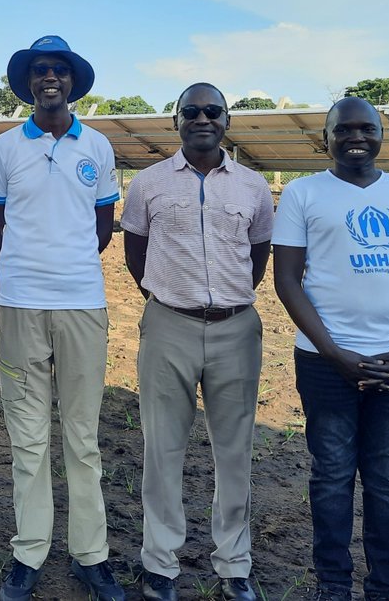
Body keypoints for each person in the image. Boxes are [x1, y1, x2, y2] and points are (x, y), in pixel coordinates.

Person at [271, 96, 389, 601]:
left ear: (380, 135)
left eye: (366, 128)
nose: (355, 137)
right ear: (325, 136)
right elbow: (287, 281)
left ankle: (386, 586)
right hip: (326, 364)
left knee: (387, 479)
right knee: (331, 475)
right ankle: (333, 583)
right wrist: (334, 354)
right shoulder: (303, 194)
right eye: (342, 129)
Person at [0, 35, 124, 601]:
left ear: (71, 83)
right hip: (19, 305)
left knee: (83, 437)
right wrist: (25, 268)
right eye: (40, 70)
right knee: (28, 435)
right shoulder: (6, 148)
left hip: (83, 304)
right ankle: (30, 551)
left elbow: (103, 227)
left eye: (58, 71)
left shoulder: (98, 147)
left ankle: (92, 553)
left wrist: (63, 266)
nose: (49, 79)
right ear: (28, 83)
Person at [121, 83, 273, 601]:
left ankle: (234, 564)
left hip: (237, 329)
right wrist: (173, 297)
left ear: (227, 120)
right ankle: (160, 564)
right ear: (177, 121)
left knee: (235, 450)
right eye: (191, 111)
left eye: (213, 111)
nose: (202, 118)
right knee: (161, 447)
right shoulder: (147, 184)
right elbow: (135, 255)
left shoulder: (253, 186)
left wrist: (226, 299)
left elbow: (258, 254)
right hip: (168, 325)